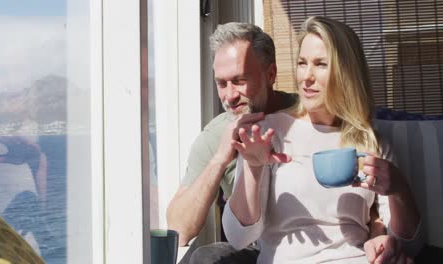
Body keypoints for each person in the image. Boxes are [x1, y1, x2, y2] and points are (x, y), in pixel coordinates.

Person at [223, 16, 423, 263]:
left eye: (320, 64)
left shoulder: (369, 142)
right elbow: (238, 237)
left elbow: (408, 245)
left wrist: (399, 190)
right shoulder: (270, 132)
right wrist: (253, 168)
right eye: (302, 63)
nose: (306, 77)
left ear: (346, 72)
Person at [166, 22, 297, 261]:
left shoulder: (308, 116)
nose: (230, 96)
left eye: (239, 81)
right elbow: (180, 230)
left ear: (271, 75)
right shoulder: (217, 135)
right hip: (258, 248)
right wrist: (219, 158)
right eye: (221, 83)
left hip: (312, 242)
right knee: (206, 257)